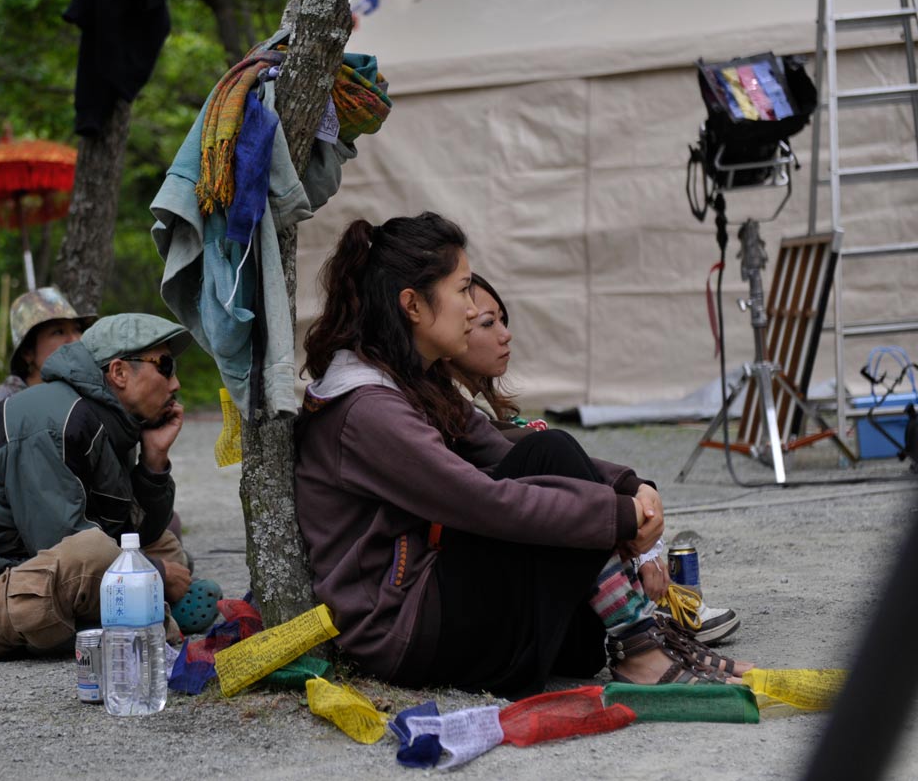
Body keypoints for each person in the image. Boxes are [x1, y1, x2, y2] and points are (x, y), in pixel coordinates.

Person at [293, 212, 752, 696]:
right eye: (463, 290)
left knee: (547, 452)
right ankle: (642, 649)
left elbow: (499, 448)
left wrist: (630, 486)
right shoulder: (368, 410)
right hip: (403, 630)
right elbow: (483, 502)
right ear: (412, 304)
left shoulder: (412, 380)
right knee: (549, 453)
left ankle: (639, 637)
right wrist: (616, 515)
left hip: (439, 606)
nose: (472, 308)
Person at [447, 273, 742, 645]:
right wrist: (625, 517)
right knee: (553, 452)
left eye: (503, 321)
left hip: (499, 569)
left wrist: (631, 490)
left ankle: (634, 609)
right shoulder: (446, 412)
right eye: (489, 323)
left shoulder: (475, 406)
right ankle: (638, 618)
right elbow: (542, 468)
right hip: (470, 591)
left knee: (587, 649)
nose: (506, 335)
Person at [0, 313, 204, 661]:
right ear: (119, 372)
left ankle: (143, 611)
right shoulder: (52, 421)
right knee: (97, 553)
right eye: (165, 366)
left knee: (161, 542)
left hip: (18, 574)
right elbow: (65, 543)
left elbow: (137, 532)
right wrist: (157, 574)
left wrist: (154, 463)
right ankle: (153, 619)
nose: (175, 383)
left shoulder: (111, 420)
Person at [0, 286, 96, 413]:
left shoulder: (86, 396)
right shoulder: (0, 407)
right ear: (27, 352)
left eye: (77, 329)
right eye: (59, 332)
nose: (75, 340)